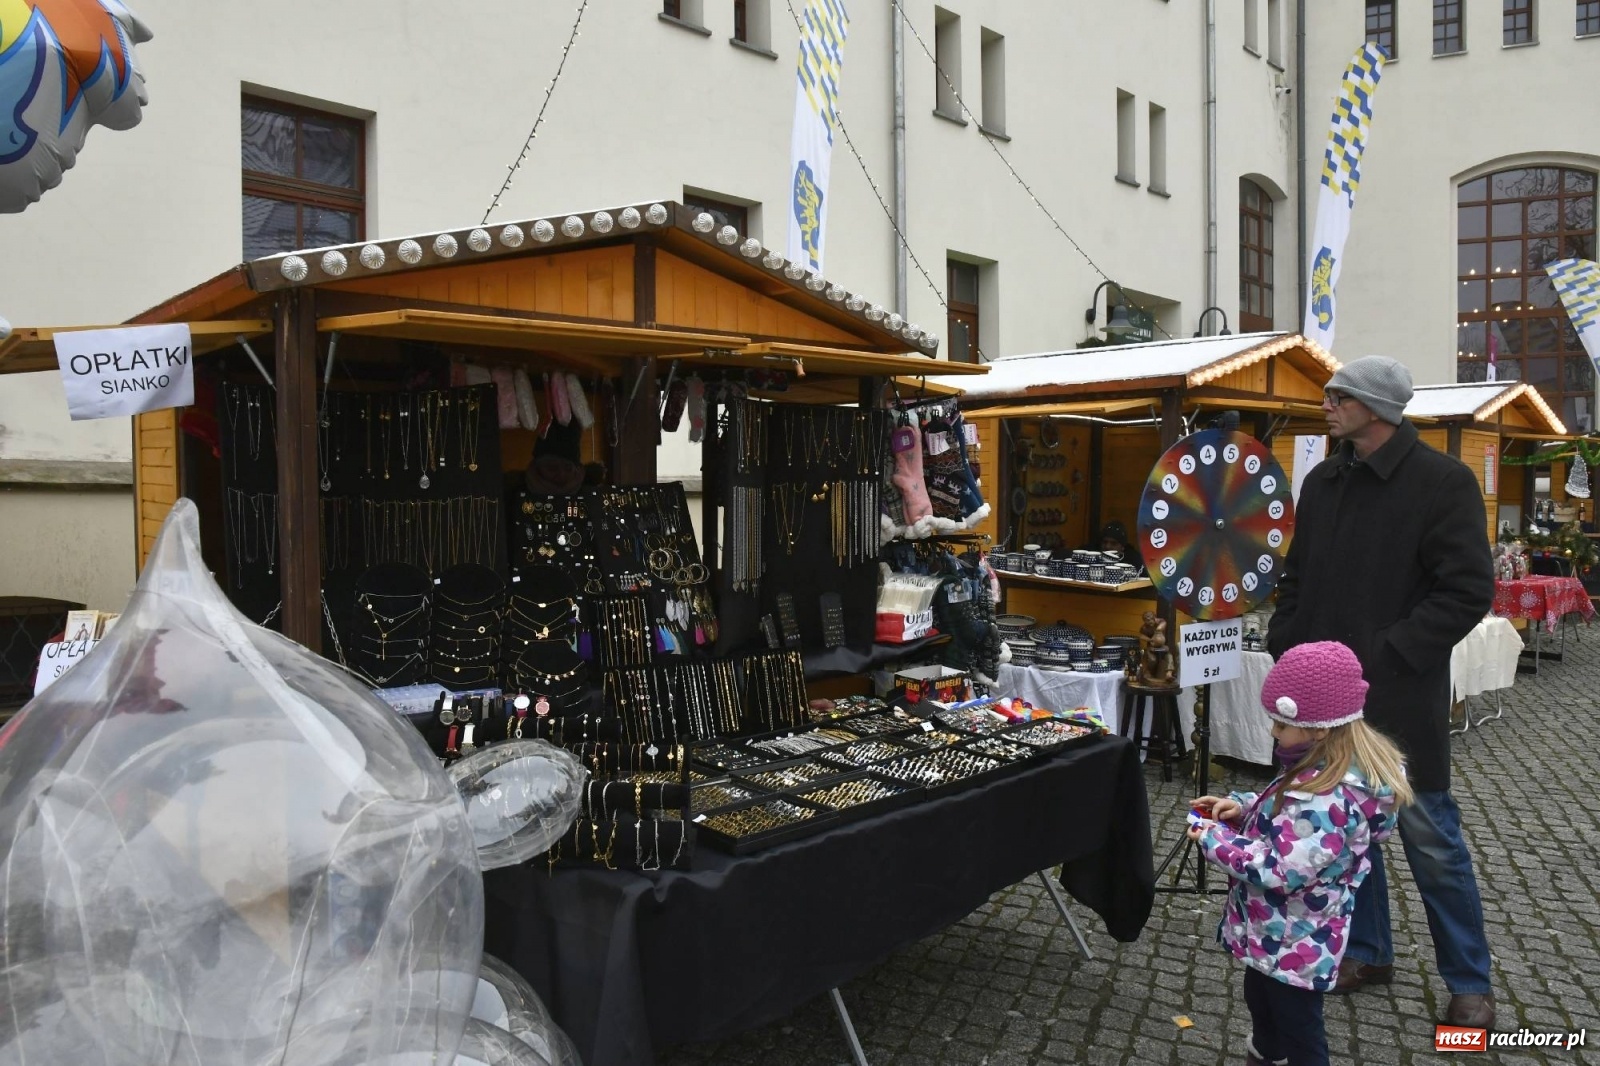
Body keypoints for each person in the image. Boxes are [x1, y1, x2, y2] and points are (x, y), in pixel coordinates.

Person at [1266, 355, 1497, 1028]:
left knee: (1431, 839)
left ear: (1376, 407)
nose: (1327, 404)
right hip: (1323, 706)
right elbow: (1297, 574)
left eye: (1339, 396)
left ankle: (1469, 981)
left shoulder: (1442, 483)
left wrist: (1389, 653)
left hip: (1398, 702)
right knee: (1346, 835)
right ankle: (1366, 953)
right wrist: (1290, 636)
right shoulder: (1324, 481)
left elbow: (1467, 590)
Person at [1191, 640, 1407, 1066]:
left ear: (1320, 728)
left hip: (1294, 941)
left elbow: (1279, 868)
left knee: (1298, 1029)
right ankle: (1265, 1056)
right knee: (1263, 1004)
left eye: (1280, 724)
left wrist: (1212, 838)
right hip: (1280, 936)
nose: (1273, 732)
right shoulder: (1321, 775)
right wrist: (1247, 806)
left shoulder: (1325, 800)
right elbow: (1291, 814)